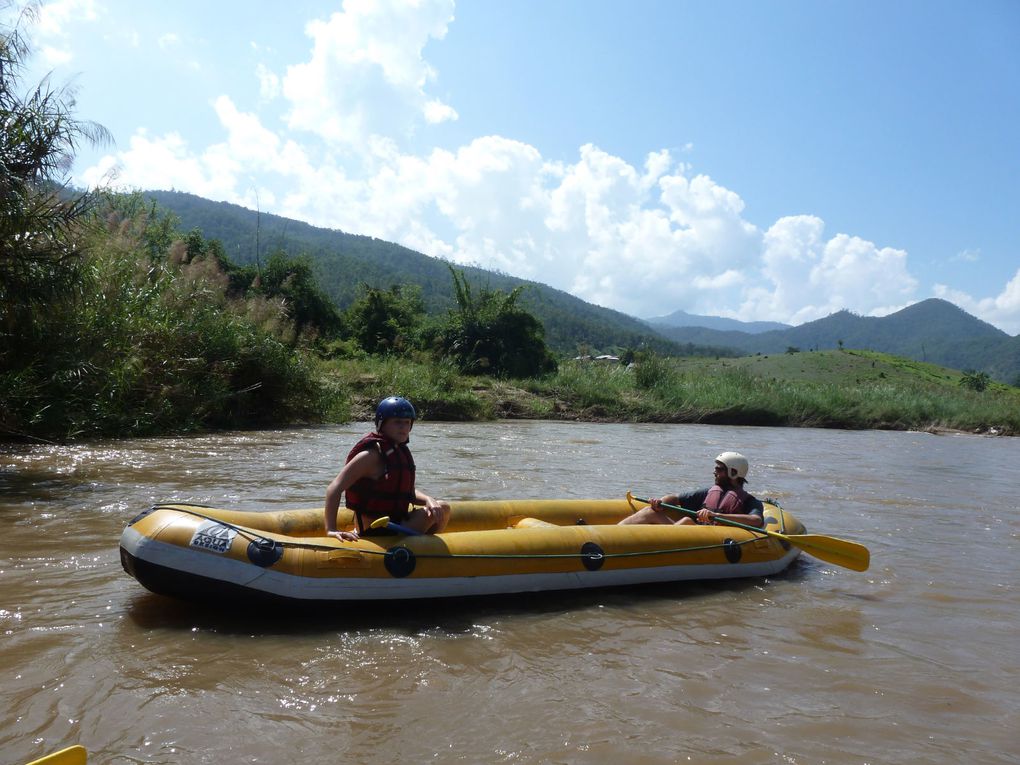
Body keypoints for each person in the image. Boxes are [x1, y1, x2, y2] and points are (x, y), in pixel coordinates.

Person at [324, 396, 451, 541]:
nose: (403, 427)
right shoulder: (370, 456)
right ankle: (427, 552)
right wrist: (331, 530)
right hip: (375, 529)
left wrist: (429, 499)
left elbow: (406, 492)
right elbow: (334, 488)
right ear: (382, 424)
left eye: (407, 422)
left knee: (442, 508)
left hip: (395, 524)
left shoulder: (397, 451)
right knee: (443, 508)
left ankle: (425, 552)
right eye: (397, 422)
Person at [619, 451, 764, 528]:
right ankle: (614, 534)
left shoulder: (750, 501)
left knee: (687, 521)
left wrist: (715, 515)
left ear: (733, 473)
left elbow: (756, 520)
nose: (714, 472)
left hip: (714, 540)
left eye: (719, 469)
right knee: (650, 512)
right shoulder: (709, 492)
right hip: (692, 534)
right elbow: (675, 498)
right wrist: (659, 502)